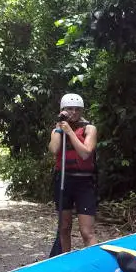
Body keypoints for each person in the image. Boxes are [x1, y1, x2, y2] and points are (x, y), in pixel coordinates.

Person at [47, 93, 99, 252]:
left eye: (77, 109)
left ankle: (95, 264)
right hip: (63, 180)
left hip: (84, 182)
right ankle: (65, 264)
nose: (73, 112)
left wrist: (69, 132)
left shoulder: (89, 129)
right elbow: (54, 149)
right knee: (64, 227)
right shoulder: (57, 129)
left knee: (86, 231)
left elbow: (85, 153)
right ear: (63, 110)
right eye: (69, 109)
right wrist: (59, 128)